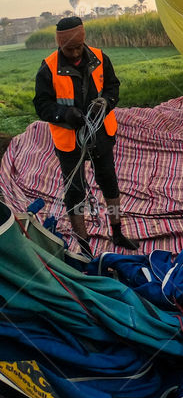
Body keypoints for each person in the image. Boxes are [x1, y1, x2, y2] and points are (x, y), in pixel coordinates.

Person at [32, 17, 138, 255]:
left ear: (84, 40)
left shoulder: (100, 58)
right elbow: (41, 105)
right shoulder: (48, 68)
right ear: (60, 46)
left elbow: (113, 87)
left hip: (100, 133)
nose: (75, 52)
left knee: (109, 182)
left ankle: (117, 230)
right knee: (75, 190)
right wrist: (64, 113)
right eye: (69, 49)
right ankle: (83, 243)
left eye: (79, 46)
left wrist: (106, 102)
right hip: (70, 141)